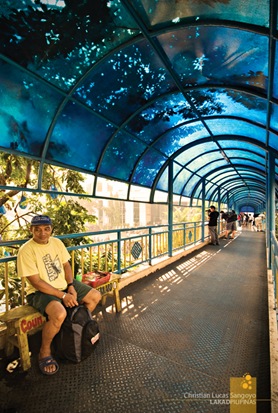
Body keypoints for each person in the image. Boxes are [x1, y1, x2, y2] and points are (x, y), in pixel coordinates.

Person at [17, 215, 101, 376]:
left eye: (46, 229)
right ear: (31, 230)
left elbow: (66, 265)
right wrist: (63, 296)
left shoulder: (56, 242)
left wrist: (70, 286)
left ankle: (72, 330)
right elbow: (35, 282)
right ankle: (45, 352)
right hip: (40, 292)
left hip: (63, 284)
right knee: (59, 313)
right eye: (38, 229)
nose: (43, 233)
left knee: (95, 296)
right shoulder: (26, 250)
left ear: (51, 229)